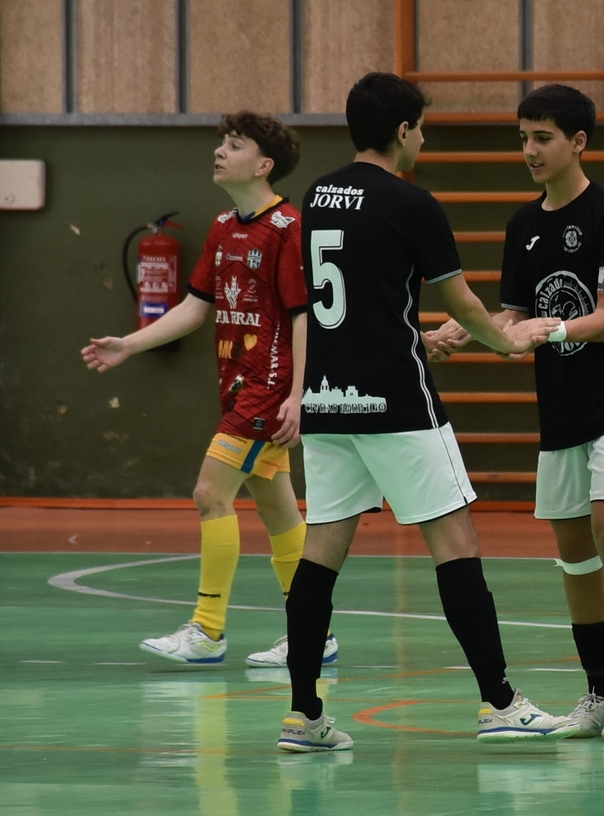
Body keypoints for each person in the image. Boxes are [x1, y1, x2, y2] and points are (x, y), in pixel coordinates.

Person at [278, 72, 574, 753]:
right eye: (421, 128)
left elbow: (351, 301)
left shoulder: (317, 196)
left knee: (319, 556)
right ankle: (500, 702)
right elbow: (463, 300)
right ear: (404, 130)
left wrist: (414, 334)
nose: (423, 140)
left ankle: (303, 716)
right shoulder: (412, 202)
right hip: (397, 401)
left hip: (329, 400)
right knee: (455, 543)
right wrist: (508, 343)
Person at [435, 84, 604, 741]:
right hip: (561, 406)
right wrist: (467, 330)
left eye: (543, 138)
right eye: (523, 139)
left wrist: (550, 330)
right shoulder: (522, 226)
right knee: (574, 549)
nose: (530, 150)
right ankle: (599, 689)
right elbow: (513, 313)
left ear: (578, 142)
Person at [82, 113, 337, 669]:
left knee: (209, 493)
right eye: (222, 142)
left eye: (234, 145)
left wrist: (299, 394)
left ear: (264, 165)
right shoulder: (223, 227)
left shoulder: (288, 228)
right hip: (236, 384)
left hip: (268, 390)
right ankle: (313, 634)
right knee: (279, 513)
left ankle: (208, 630)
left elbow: (305, 316)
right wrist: (129, 344)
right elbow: (196, 307)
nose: (220, 151)